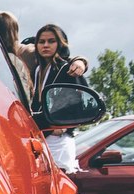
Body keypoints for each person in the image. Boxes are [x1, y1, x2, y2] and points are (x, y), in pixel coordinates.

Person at [18, 22, 88, 173]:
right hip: (40, 139)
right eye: (41, 42)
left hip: (59, 143)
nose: (45, 45)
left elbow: (80, 105)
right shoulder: (37, 69)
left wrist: (64, 126)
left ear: (60, 44)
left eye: (51, 41)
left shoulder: (67, 69)